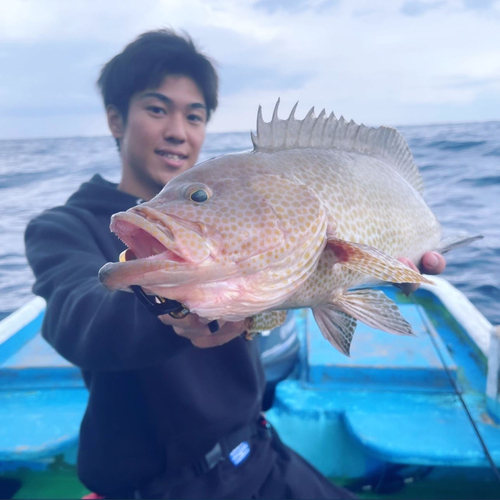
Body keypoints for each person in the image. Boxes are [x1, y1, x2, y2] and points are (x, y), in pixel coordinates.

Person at [24, 29, 446, 499]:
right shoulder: (61, 227)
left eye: (195, 115)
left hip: (260, 455)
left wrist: (401, 274)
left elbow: (341, 275)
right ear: (115, 119)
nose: (178, 131)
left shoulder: (253, 212)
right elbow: (77, 318)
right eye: (157, 108)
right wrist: (169, 307)